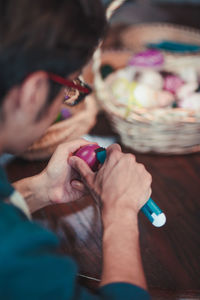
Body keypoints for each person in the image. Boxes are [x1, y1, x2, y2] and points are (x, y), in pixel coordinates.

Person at [0, 0, 152, 299]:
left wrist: (38, 191)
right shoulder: (14, 254)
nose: (66, 100)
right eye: (70, 87)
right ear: (34, 92)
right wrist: (120, 212)